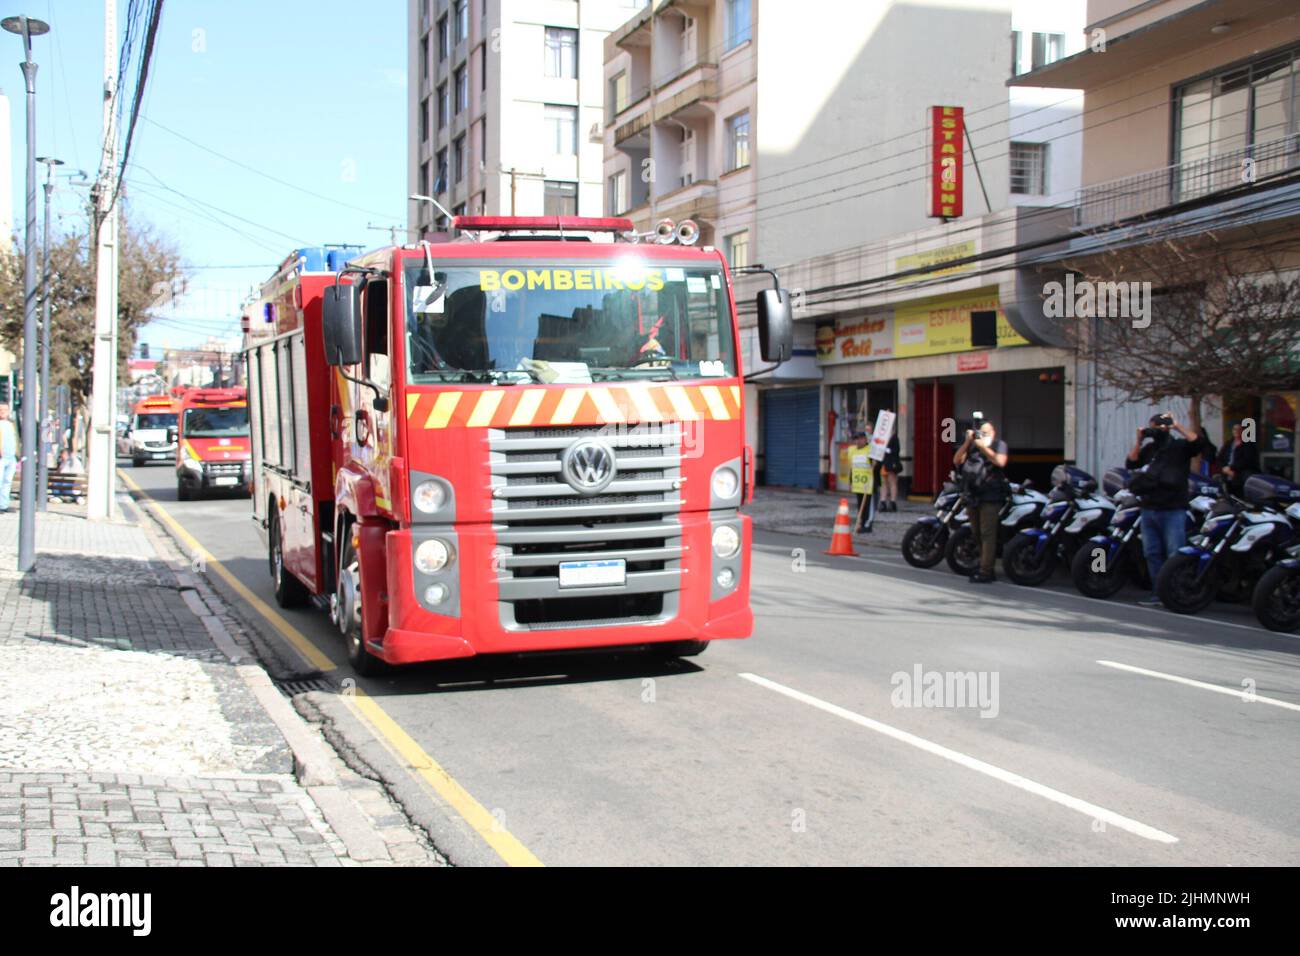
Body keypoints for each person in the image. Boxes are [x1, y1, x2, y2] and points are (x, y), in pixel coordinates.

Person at [1126, 407, 1212, 607]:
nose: (1156, 432)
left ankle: (1176, 593)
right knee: (1152, 553)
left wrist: (1178, 426)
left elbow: (1199, 443)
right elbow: (1131, 463)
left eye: (1159, 428)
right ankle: (1158, 594)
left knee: (1175, 554)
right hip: (1149, 508)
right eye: (1153, 428)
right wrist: (1139, 440)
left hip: (1173, 509)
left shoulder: (1180, 447)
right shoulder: (1150, 450)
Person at [953, 418, 1009, 583]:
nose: (981, 434)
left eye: (985, 432)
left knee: (987, 533)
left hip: (991, 495)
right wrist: (967, 442)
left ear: (993, 433)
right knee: (976, 532)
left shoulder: (999, 444)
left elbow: (1000, 461)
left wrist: (982, 447)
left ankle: (986, 570)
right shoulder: (972, 445)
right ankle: (982, 562)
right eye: (979, 432)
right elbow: (957, 460)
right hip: (973, 494)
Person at [1215, 420, 1259, 496]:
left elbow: (1247, 460)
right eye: (1235, 429)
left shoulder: (1248, 445)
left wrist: (1231, 468)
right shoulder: (1228, 444)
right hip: (1227, 472)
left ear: (1243, 431)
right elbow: (1220, 458)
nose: (1237, 431)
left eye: (1239, 429)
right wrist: (1224, 468)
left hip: (1240, 472)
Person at [849, 431, 876, 534]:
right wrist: (851, 481)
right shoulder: (853, 451)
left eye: (860, 439)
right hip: (858, 484)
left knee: (869, 505)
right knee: (861, 505)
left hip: (869, 483)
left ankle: (868, 525)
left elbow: (876, 465)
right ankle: (861, 522)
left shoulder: (870, 451)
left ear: (865, 439)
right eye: (856, 439)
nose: (858, 441)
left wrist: (875, 464)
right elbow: (853, 468)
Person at [0, 403, 17, 513]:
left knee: (7, 481)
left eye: (5, 409)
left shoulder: (12, 424)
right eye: (0, 409)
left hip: (11, 457)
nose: (2, 411)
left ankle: (3, 505)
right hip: (1, 457)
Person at [880, 426, 902, 512]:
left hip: (892, 463)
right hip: (885, 462)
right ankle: (883, 501)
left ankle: (892, 502)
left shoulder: (894, 437)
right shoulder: (883, 437)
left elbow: (897, 450)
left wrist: (887, 449)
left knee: (892, 482)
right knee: (884, 483)